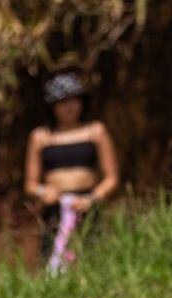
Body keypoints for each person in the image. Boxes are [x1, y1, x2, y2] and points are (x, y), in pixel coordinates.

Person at [24, 71, 120, 274]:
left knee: (91, 261)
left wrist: (92, 199)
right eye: (62, 102)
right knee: (52, 263)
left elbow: (111, 178)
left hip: (86, 207)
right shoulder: (41, 137)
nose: (69, 107)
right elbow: (30, 184)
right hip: (55, 210)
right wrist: (43, 192)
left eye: (73, 100)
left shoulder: (95, 131)